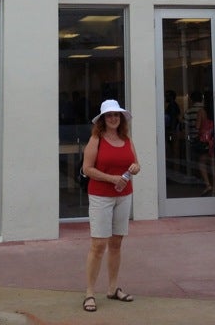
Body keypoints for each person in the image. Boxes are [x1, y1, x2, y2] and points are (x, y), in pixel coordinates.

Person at [81, 99, 140, 313]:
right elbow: (87, 169)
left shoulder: (126, 139)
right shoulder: (96, 139)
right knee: (98, 245)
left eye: (116, 115)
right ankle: (89, 293)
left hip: (124, 196)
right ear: (103, 119)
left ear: (121, 118)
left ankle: (113, 288)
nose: (113, 118)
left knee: (116, 243)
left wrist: (134, 168)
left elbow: (137, 165)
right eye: (109, 115)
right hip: (100, 197)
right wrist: (112, 179)